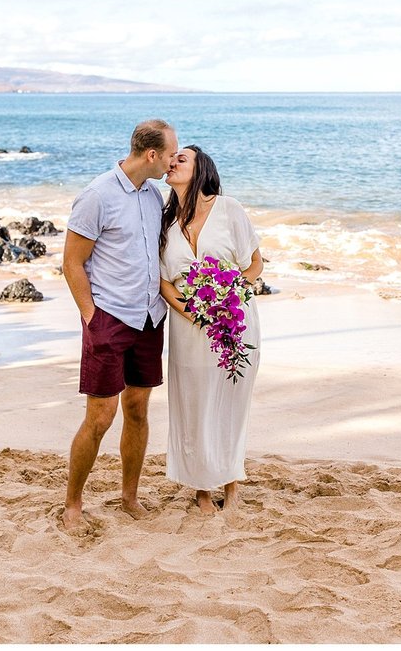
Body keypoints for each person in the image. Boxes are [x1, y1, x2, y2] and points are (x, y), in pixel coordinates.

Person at [61, 119, 178, 534]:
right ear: (151, 155)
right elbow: (71, 263)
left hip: (149, 318)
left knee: (138, 410)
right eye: (169, 155)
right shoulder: (97, 196)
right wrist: (92, 317)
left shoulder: (153, 195)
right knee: (100, 416)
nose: (172, 162)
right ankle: (73, 504)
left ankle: (129, 497)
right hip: (109, 319)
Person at [159, 146, 263, 514]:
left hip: (233, 322)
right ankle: (202, 489)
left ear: (200, 168)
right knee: (193, 404)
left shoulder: (228, 208)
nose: (171, 163)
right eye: (170, 160)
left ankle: (231, 483)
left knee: (230, 404)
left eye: (180, 159)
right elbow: (162, 281)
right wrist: (191, 309)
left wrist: (229, 295)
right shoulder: (164, 220)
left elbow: (254, 263)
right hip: (188, 328)